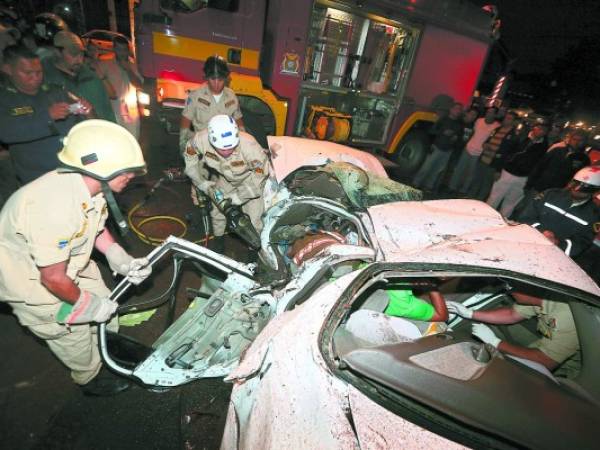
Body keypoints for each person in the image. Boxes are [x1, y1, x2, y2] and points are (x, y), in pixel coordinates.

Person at [0, 119, 151, 396]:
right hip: (35, 283)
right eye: (126, 170)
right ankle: (90, 379)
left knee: (107, 308)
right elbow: (53, 278)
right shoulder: (54, 208)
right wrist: (88, 306)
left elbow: (93, 227)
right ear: (99, 167)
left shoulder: (84, 186)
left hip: (69, 264)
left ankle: (107, 350)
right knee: (75, 335)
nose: (132, 176)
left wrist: (120, 257)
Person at [0, 44, 86, 185]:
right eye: (28, 73)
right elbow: (6, 132)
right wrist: (48, 117)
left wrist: (85, 110)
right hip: (39, 179)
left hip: (74, 168)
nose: (35, 77)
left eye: (39, 72)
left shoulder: (54, 91)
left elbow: (81, 119)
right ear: (8, 69)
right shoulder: (5, 99)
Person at [183, 114, 267, 252]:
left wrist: (240, 197)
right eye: (222, 149)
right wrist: (202, 183)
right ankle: (218, 242)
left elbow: (260, 175)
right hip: (226, 179)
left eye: (231, 148)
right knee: (217, 212)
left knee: (254, 220)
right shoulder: (199, 140)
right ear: (211, 140)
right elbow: (190, 161)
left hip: (249, 180)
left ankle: (253, 254)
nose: (227, 152)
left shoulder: (249, 145)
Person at [448, 292, 579, 375]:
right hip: (543, 349)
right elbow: (512, 314)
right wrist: (470, 313)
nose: (509, 290)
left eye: (511, 286)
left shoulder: (566, 316)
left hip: (569, 373)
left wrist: (495, 342)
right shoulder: (542, 296)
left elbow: (545, 362)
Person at [514, 166, 600, 258]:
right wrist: (542, 231)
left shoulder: (594, 215)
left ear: (595, 192)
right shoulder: (550, 194)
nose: (576, 190)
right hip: (524, 240)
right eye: (575, 185)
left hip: (552, 254)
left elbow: (581, 243)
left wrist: (558, 243)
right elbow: (526, 217)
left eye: (583, 190)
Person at [43, 30, 115, 122]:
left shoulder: (91, 77)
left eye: (81, 54)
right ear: (57, 52)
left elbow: (107, 111)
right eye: (73, 54)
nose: (79, 59)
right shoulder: (44, 79)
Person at [179, 56, 244, 152]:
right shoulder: (195, 96)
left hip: (225, 148)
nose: (217, 84)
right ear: (207, 78)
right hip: (202, 147)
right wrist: (183, 144)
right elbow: (186, 120)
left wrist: (242, 142)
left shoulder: (231, 96)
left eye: (221, 79)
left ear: (226, 79)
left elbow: (238, 119)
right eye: (213, 79)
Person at [486, 123, 549, 217]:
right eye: (539, 128)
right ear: (534, 128)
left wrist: (530, 182)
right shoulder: (521, 137)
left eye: (544, 130)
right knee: (494, 197)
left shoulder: (544, 145)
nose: (541, 131)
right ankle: (484, 216)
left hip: (523, 178)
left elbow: (538, 165)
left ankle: (502, 223)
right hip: (507, 172)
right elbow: (505, 152)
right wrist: (498, 169)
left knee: (510, 203)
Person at [88, 35, 143, 138]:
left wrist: (128, 70)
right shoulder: (106, 64)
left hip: (131, 114)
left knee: (132, 141)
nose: (122, 53)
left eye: (124, 49)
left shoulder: (133, 65)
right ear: (114, 49)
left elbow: (139, 85)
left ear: (128, 50)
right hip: (113, 112)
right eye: (119, 49)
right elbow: (94, 73)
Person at [412, 102, 464, 192]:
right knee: (426, 167)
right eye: (456, 108)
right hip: (436, 147)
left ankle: (428, 186)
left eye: (459, 109)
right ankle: (416, 183)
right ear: (451, 109)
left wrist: (456, 138)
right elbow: (432, 130)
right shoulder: (443, 119)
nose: (457, 111)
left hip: (448, 150)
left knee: (437, 170)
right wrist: (442, 132)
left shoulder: (459, 124)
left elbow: (460, 139)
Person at [447, 108, 500, 196]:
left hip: (479, 153)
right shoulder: (479, 121)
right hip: (468, 148)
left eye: (491, 113)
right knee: (459, 169)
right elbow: (472, 132)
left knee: (471, 174)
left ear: (495, 115)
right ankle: (451, 187)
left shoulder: (496, 126)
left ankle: (463, 191)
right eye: (488, 112)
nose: (488, 114)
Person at [525, 129, 589, 196]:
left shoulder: (584, 159)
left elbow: (578, 180)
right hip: (538, 188)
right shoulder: (557, 150)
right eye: (574, 139)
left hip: (557, 193)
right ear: (570, 139)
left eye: (580, 140)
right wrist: (529, 185)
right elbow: (539, 167)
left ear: (585, 142)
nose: (576, 142)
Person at [471, 111, 518, 200]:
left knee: (486, 186)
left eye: (509, 119)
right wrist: (485, 144)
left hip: (494, 164)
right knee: (476, 181)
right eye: (506, 117)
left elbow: (507, 155)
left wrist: (499, 170)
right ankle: (469, 199)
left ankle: (478, 203)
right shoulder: (497, 129)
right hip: (484, 159)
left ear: (514, 122)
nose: (505, 120)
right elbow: (487, 141)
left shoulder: (513, 136)